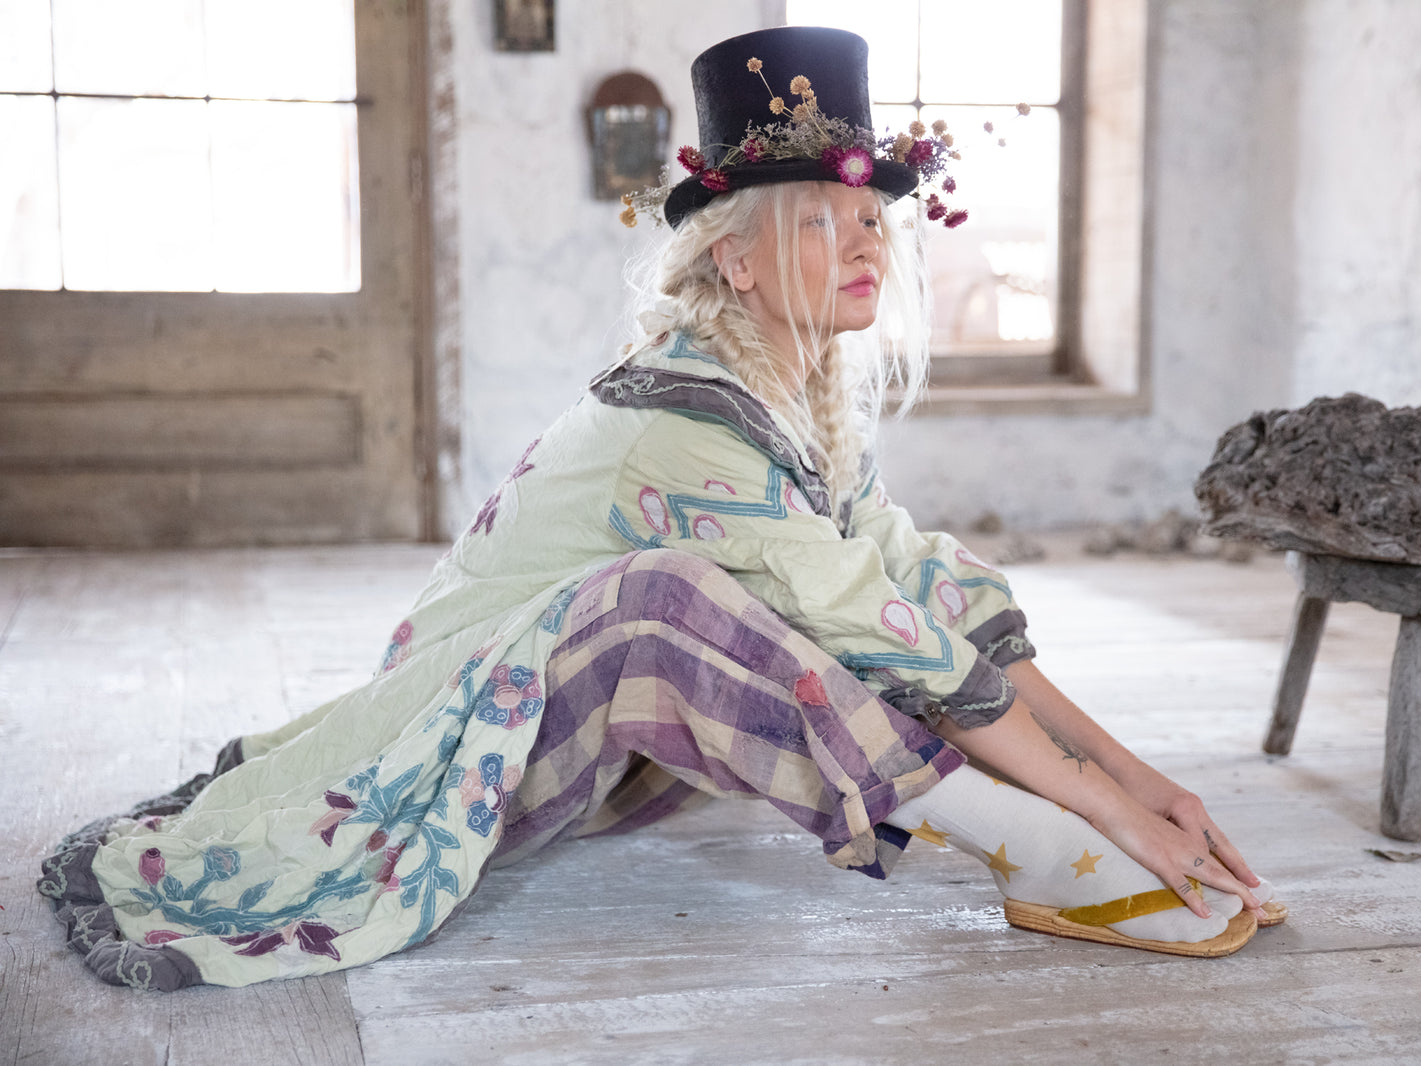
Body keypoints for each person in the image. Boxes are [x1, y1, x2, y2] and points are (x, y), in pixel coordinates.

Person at [38, 26, 1280, 992]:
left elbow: (907, 587)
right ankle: (1042, 851)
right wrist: (1095, 810)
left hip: (602, 758)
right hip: (457, 753)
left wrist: (1138, 779)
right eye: (819, 220)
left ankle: (1074, 829)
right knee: (667, 604)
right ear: (734, 259)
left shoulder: (792, 395)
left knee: (916, 568)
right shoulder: (680, 418)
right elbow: (866, 626)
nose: (865, 244)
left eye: (870, 217)